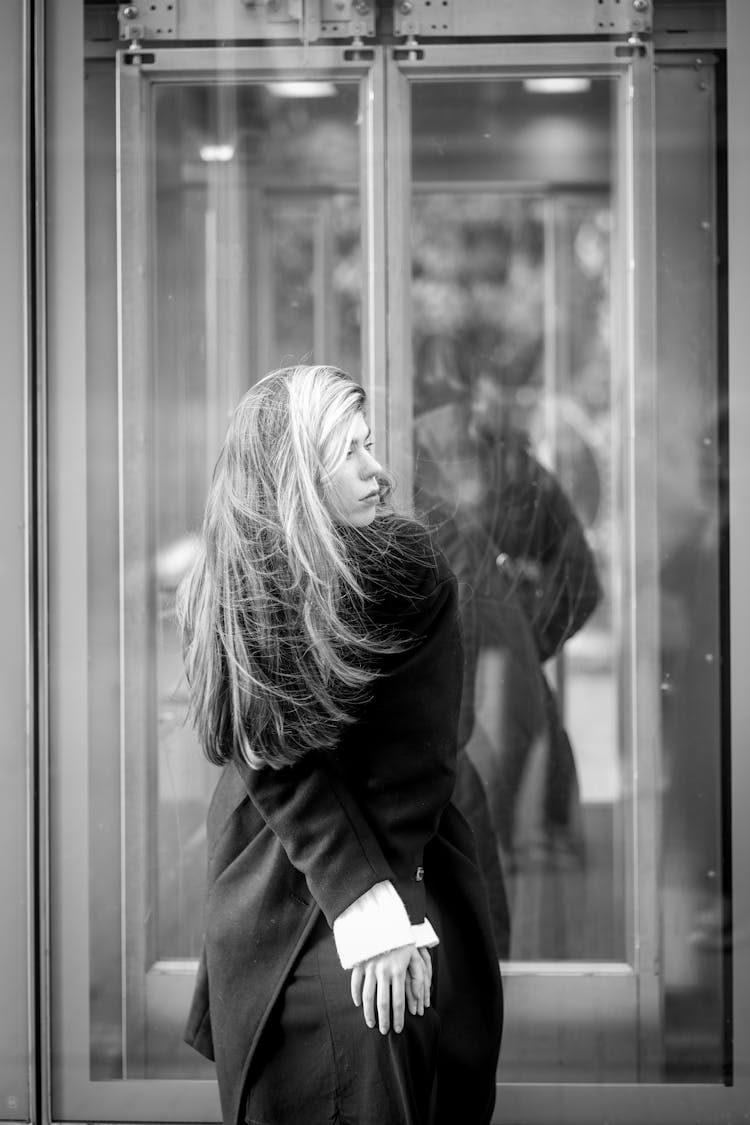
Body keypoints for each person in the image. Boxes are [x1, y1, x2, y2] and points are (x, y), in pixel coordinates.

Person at [177, 365, 503, 1125]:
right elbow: (270, 760)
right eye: (349, 453)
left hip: (401, 844)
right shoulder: (241, 576)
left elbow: (418, 764)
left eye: (370, 444)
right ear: (296, 478)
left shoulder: (411, 572)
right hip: (274, 859)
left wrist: (386, 916)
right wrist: (360, 907)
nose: (377, 470)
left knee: (387, 1026)